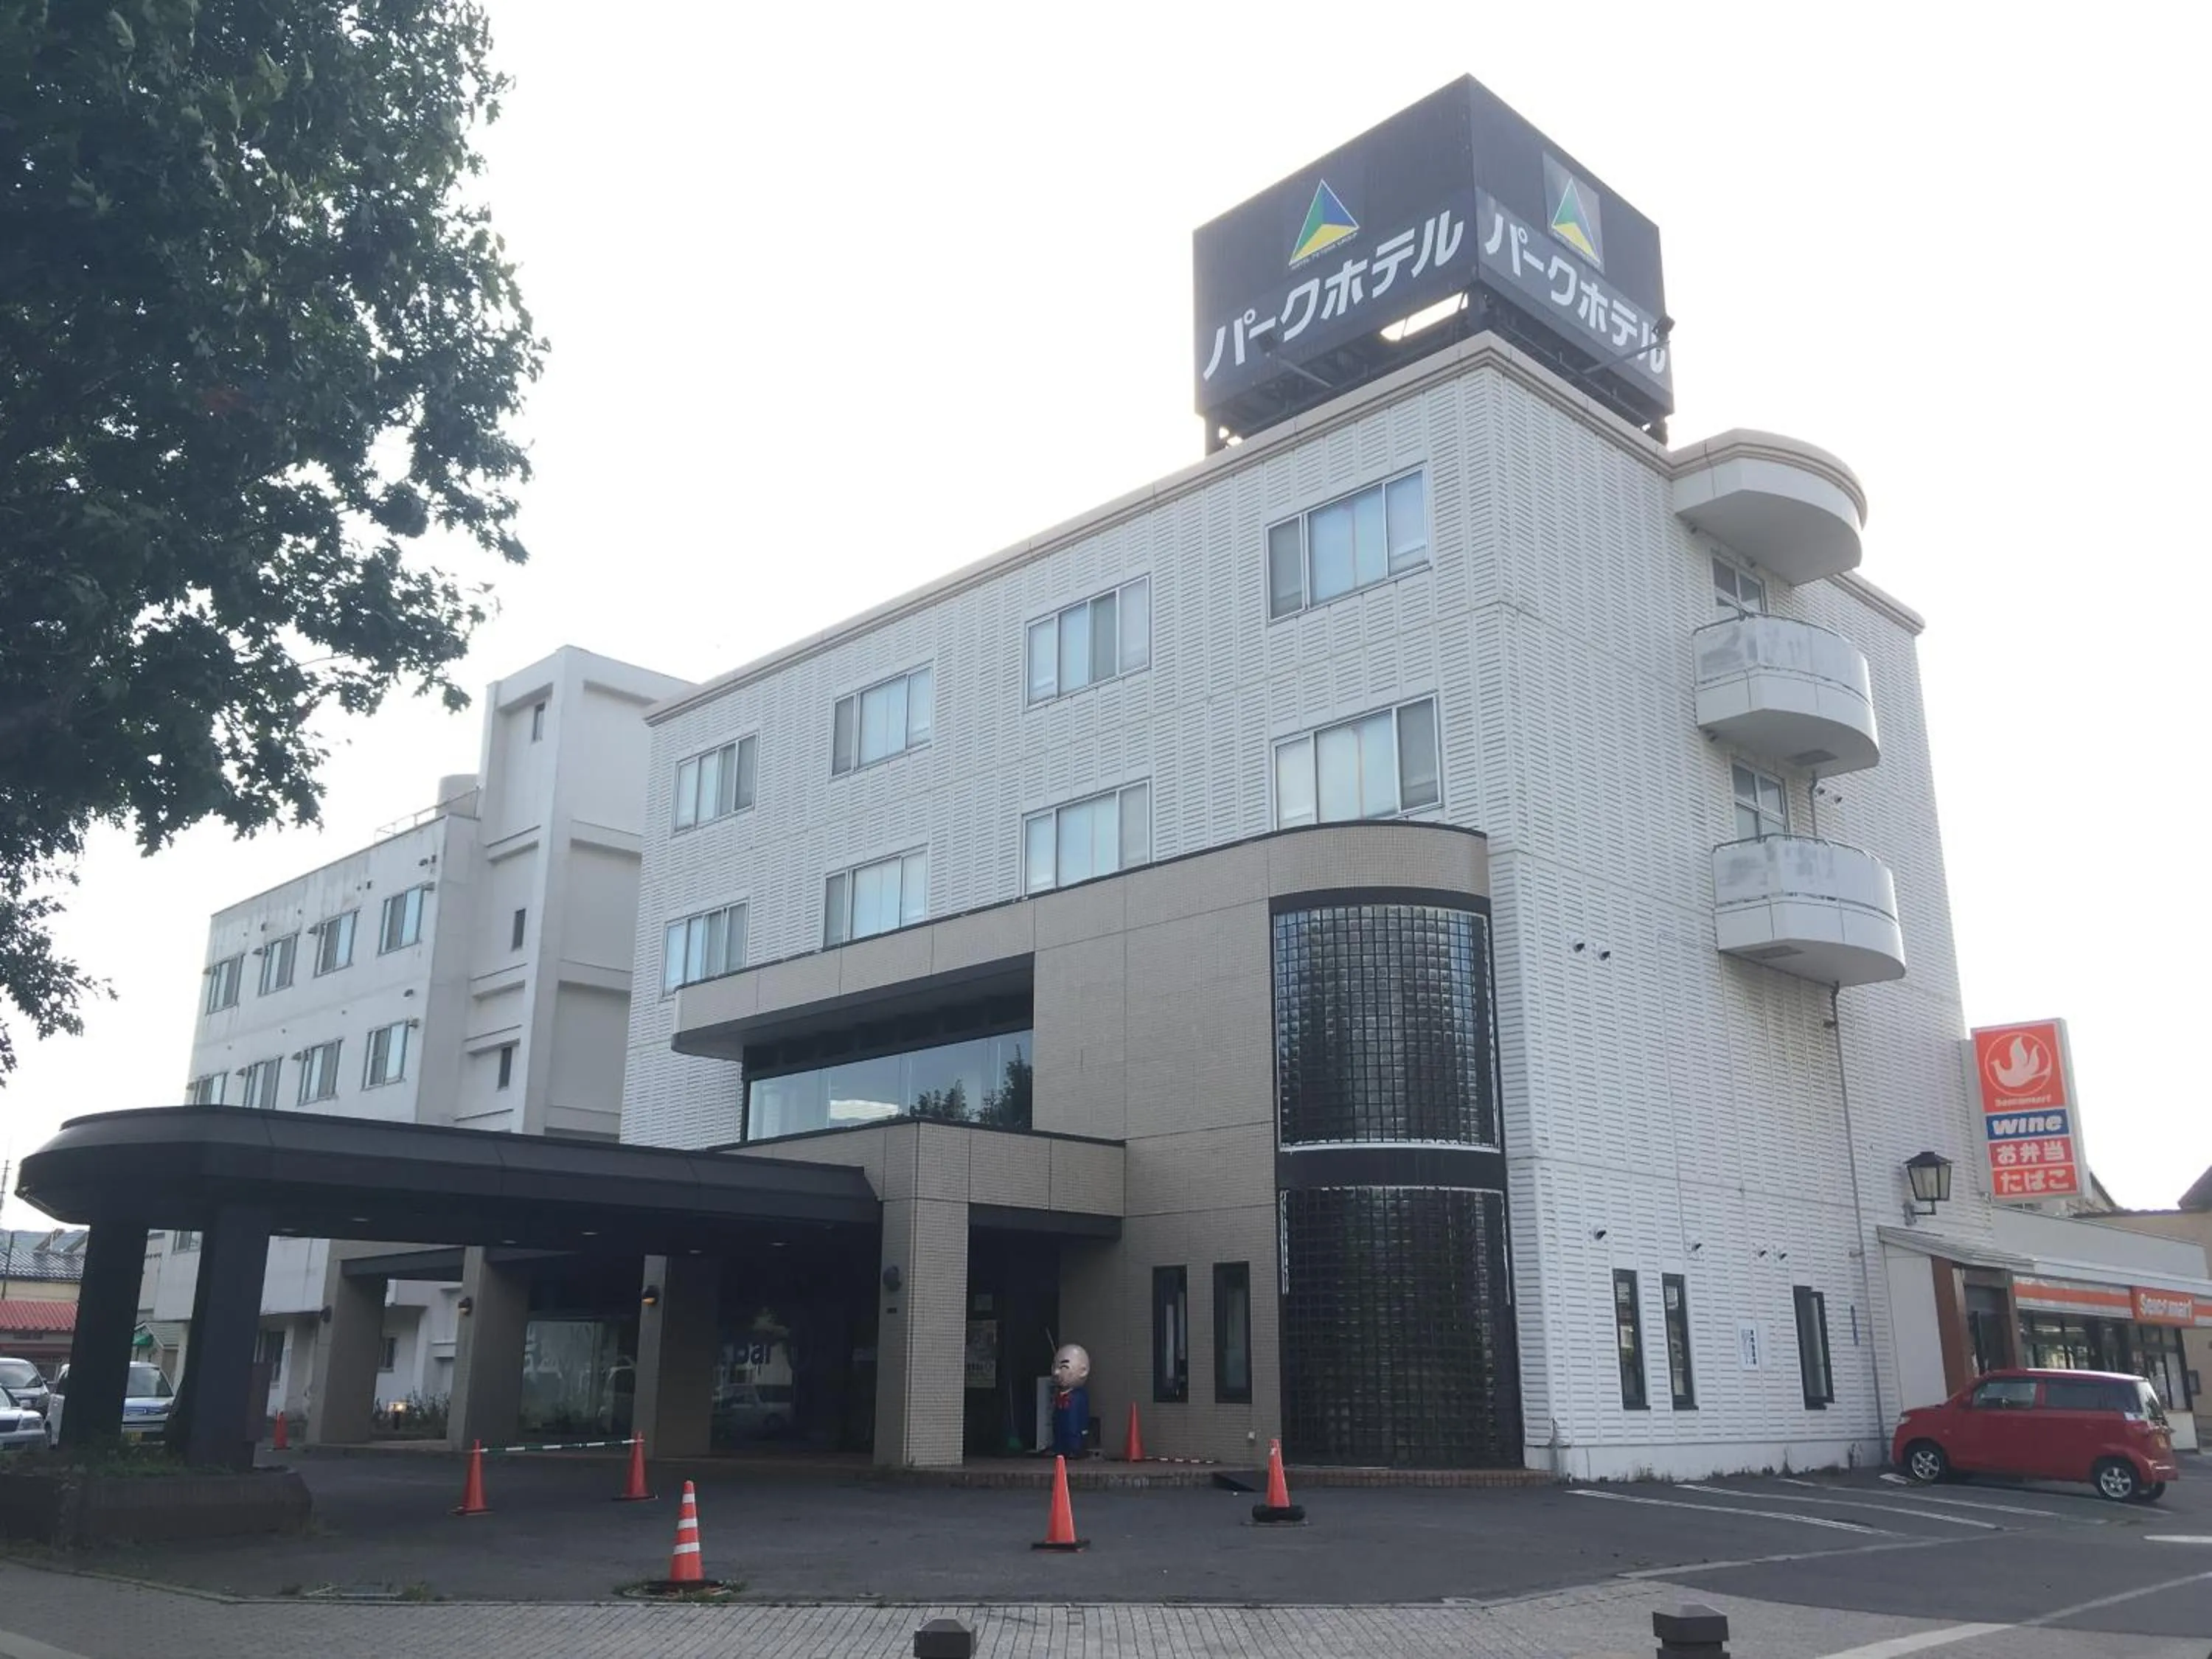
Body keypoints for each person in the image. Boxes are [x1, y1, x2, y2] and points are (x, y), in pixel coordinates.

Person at [1049, 1343, 1090, 1458]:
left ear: (1083, 1371)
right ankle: (1060, 1448)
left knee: (1073, 1429)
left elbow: (1080, 1418)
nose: (1057, 1373)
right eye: (1055, 1367)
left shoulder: (1078, 1396)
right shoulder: (1060, 1395)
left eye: (1064, 1368)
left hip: (1075, 1432)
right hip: (1061, 1428)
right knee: (1059, 1428)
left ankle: (1075, 1449)